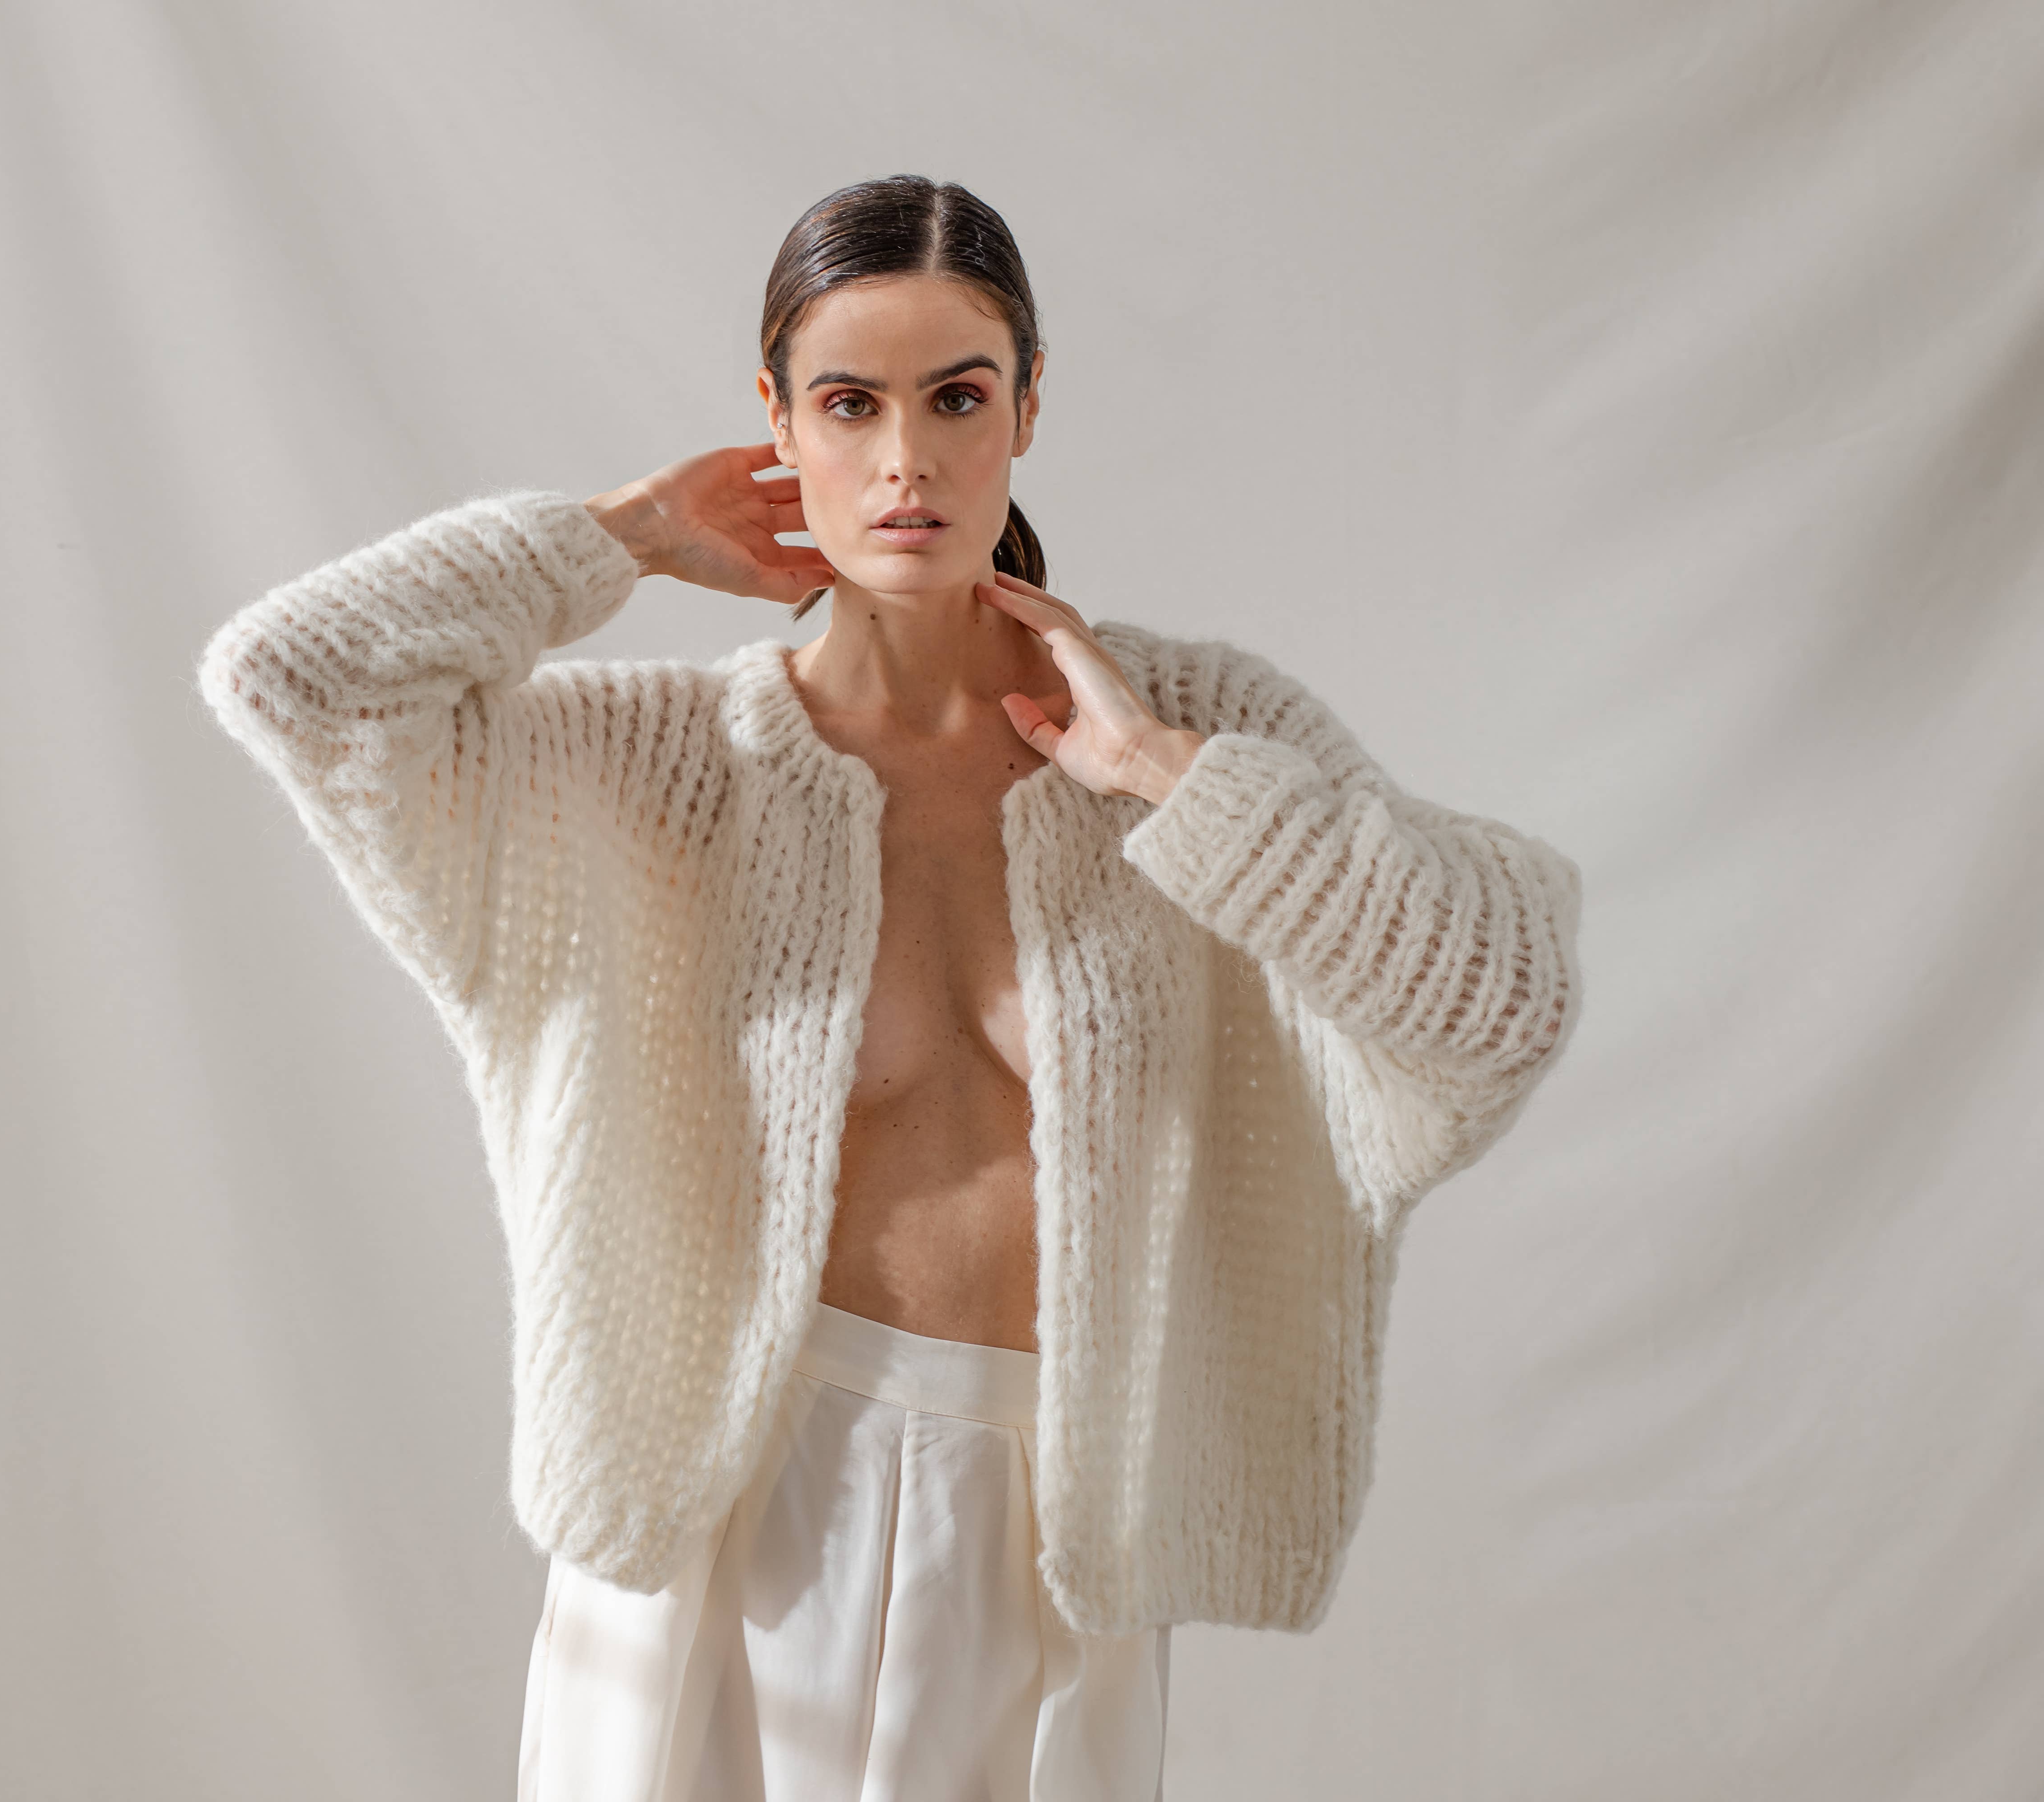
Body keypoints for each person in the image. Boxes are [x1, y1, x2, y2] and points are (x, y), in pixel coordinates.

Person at [196, 175, 1584, 1800]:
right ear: (777, 417)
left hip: (1055, 1539)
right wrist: (619, 538)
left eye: (957, 398)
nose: (907, 462)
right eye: (850, 405)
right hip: (721, 1515)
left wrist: (1166, 778)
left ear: (1029, 408)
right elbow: (292, 680)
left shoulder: (1190, 731)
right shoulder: (663, 765)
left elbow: (1500, 1000)